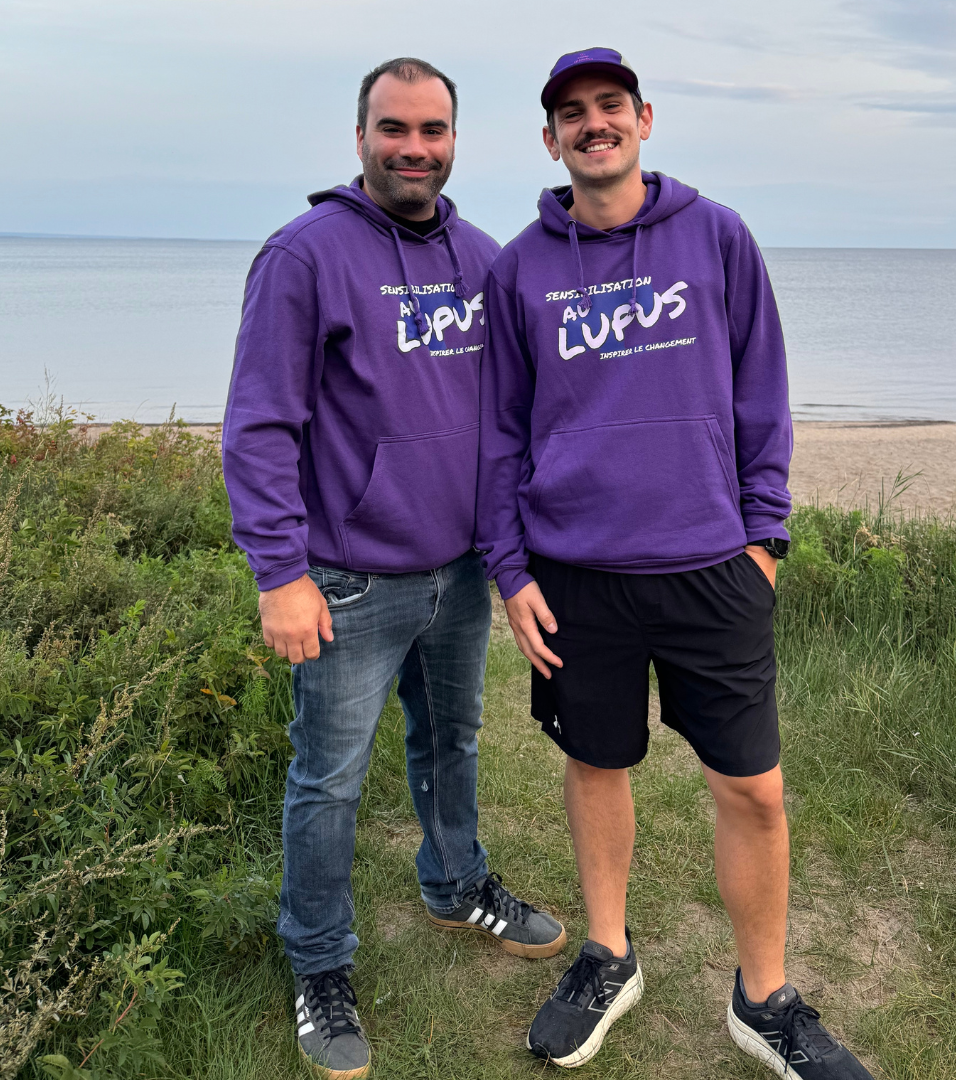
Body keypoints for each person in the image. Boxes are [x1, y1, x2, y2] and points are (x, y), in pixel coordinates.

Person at [477, 47, 875, 1078]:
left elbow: (762, 393)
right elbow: (499, 434)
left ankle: (765, 1000)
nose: (592, 123)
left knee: (751, 788)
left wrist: (764, 538)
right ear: (551, 138)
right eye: (572, 112)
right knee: (595, 763)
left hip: (711, 568)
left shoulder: (717, 237)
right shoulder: (520, 266)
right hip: (575, 575)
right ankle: (609, 956)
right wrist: (511, 570)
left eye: (611, 105)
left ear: (645, 120)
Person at [222, 57, 565, 1080]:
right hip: (348, 580)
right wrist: (278, 572)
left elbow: (508, 419)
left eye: (433, 129)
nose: (414, 147)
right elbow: (258, 425)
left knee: (451, 742)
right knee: (328, 781)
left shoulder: (485, 257)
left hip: (459, 571)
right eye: (394, 128)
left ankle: (456, 884)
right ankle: (319, 964)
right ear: (361, 135)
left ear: (455, 138)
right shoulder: (305, 256)